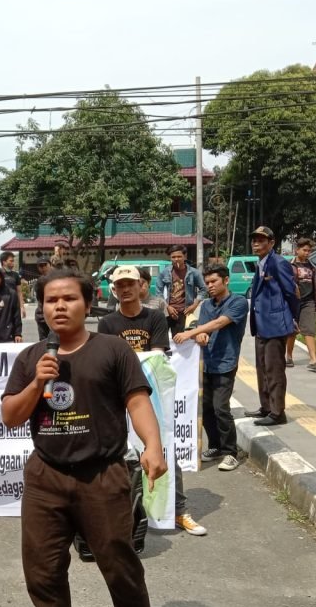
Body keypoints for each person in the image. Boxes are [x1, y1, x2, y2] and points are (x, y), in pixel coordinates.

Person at [1, 268, 169, 607]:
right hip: (46, 476)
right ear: (41, 308)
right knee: (42, 567)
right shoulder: (31, 358)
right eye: (51, 300)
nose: (59, 306)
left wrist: (153, 445)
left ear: (88, 304)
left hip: (102, 474)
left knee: (120, 566)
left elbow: (137, 402)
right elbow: (10, 416)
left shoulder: (113, 349)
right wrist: (38, 382)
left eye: (69, 298)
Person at [96, 265, 206, 547]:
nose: (125, 289)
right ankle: (120, 516)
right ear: (114, 290)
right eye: (120, 285)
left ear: (141, 286)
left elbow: (157, 358)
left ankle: (177, 510)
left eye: (130, 284)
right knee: (118, 457)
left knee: (163, 448)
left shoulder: (155, 317)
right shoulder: (107, 323)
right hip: (116, 399)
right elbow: (106, 362)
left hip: (151, 397)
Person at [174, 264, 248, 472]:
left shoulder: (239, 302)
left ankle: (230, 452)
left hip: (225, 362)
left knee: (220, 408)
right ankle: (215, 446)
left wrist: (189, 333)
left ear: (226, 280)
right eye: (207, 283)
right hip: (205, 362)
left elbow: (218, 323)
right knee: (205, 407)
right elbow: (204, 327)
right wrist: (199, 335)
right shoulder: (206, 305)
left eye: (214, 281)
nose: (210, 286)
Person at [245, 226, 299, 427]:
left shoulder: (278, 263)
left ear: (271, 243)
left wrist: (294, 318)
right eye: (254, 240)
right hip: (261, 325)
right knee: (262, 368)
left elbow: (291, 292)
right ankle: (266, 406)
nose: (256, 243)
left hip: (276, 324)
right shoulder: (261, 263)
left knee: (274, 369)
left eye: (261, 240)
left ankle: (277, 412)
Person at [286, 238, 316, 372]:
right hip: (293, 302)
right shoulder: (289, 265)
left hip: (309, 301)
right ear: (297, 250)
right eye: (305, 250)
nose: (307, 253)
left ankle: (313, 360)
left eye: (309, 251)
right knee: (292, 330)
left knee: (309, 329)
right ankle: (289, 356)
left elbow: (313, 283)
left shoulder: (311, 266)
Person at [158, 245, 207, 336]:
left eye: (179, 256)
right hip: (166, 312)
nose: (176, 259)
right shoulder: (164, 273)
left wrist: (194, 305)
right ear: (170, 258)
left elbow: (203, 289)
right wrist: (167, 307)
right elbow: (158, 292)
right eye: (173, 257)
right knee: (162, 338)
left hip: (183, 312)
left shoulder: (194, 273)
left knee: (179, 339)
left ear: (185, 257)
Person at [0, 251, 27, 319]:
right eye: (11, 261)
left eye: (13, 261)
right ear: (4, 262)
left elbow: (19, 292)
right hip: (1, 307)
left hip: (14, 306)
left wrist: (22, 307)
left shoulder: (15, 275)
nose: (13, 263)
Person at [33, 257, 51, 340]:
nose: (43, 268)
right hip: (41, 315)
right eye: (40, 266)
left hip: (53, 315)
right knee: (43, 341)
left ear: (50, 265)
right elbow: (39, 298)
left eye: (45, 265)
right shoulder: (39, 282)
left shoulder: (57, 279)